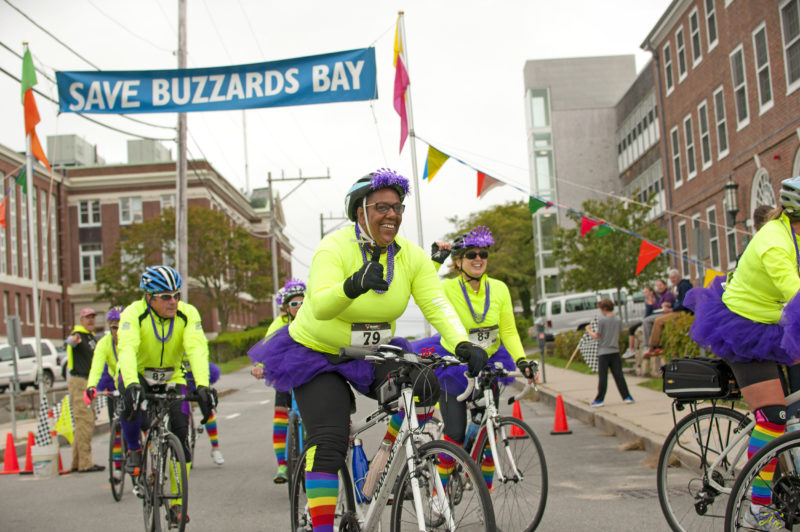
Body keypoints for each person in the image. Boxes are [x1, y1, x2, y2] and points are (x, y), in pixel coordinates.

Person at [247, 168, 488, 531]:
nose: (392, 214)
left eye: (398, 207)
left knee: (424, 385)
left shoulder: (410, 256)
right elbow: (320, 304)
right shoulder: (334, 246)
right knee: (328, 442)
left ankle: (385, 461)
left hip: (371, 351)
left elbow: (437, 305)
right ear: (360, 211)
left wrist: (462, 342)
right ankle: (323, 524)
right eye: (382, 207)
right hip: (318, 354)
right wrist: (353, 285)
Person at [685, 177, 800, 530]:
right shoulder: (774, 243)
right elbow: (796, 296)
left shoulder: (793, 234)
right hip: (743, 329)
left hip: (773, 323)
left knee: (790, 413)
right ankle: (759, 508)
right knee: (773, 418)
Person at [412, 226, 537, 490]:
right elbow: (423, 288)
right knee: (455, 433)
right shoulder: (447, 287)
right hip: (454, 365)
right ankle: (439, 496)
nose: (478, 259)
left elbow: (509, 332)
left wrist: (523, 360)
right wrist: (435, 260)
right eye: (471, 255)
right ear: (458, 261)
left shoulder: (499, 288)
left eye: (483, 254)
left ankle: (486, 498)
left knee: (488, 429)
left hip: (488, 363)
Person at [117, 265, 217, 527]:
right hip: (138, 374)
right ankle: (136, 451)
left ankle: (175, 506)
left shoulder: (188, 314)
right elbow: (126, 349)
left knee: (181, 438)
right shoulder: (133, 314)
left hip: (172, 376)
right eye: (165, 297)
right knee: (129, 406)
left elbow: (196, 347)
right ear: (148, 297)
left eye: (176, 295)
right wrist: (130, 384)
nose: (173, 302)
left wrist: (204, 386)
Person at [251, 278, 306, 483]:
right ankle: (282, 465)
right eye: (294, 304)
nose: (299, 307)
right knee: (281, 415)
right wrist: (261, 367)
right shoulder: (279, 324)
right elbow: (269, 348)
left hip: (308, 373)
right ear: (286, 307)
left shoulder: (313, 319)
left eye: (303, 302)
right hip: (285, 374)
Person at [67, 307, 104, 473]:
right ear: (81, 320)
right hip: (80, 382)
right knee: (85, 421)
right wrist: (72, 340)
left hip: (88, 382)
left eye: (93, 317)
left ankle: (76, 461)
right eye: (87, 317)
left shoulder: (91, 337)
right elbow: (70, 341)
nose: (91, 320)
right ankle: (85, 463)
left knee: (83, 422)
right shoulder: (79, 335)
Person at [585, 299, 633, 407]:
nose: (601, 311)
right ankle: (626, 396)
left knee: (603, 377)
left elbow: (597, 336)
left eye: (601, 309)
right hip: (614, 350)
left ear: (605, 309)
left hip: (603, 351)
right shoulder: (617, 319)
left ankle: (599, 399)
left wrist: (588, 330)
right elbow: (618, 334)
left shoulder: (602, 321)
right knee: (619, 375)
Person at [84, 306, 124, 431]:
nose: (116, 331)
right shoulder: (104, 343)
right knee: (115, 423)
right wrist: (91, 386)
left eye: (120, 326)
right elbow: (96, 367)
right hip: (115, 385)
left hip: (134, 380)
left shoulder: (133, 339)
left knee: (142, 422)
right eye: (113, 327)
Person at [183, 358, 224, 465]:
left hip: (196, 374)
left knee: (207, 411)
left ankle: (215, 448)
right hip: (178, 375)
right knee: (182, 412)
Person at [645, 269, 693, 357]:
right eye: (671, 278)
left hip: (684, 312)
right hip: (679, 310)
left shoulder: (683, 286)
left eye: (674, 278)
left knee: (658, 321)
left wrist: (672, 309)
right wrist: (671, 305)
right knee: (655, 320)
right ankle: (655, 345)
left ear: (679, 277)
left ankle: (654, 346)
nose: (672, 280)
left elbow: (684, 303)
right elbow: (679, 302)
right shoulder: (680, 286)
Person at [622, 286, 656, 359]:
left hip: (649, 319)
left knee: (632, 329)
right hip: (646, 318)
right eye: (644, 292)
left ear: (651, 292)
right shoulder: (648, 300)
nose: (645, 294)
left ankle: (632, 349)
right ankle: (630, 349)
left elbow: (650, 312)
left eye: (646, 292)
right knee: (631, 329)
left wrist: (650, 304)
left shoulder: (653, 300)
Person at [640, 279, 675, 348]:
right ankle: (649, 344)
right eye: (658, 286)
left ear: (665, 285)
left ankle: (649, 345)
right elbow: (659, 306)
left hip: (667, 314)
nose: (659, 287)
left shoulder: (668, 294)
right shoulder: (662, 295)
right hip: (662, 313)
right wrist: (652, 304)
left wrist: (652, 305)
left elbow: (665, 308)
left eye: (660, 285)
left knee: (646, 321)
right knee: (645, 320)